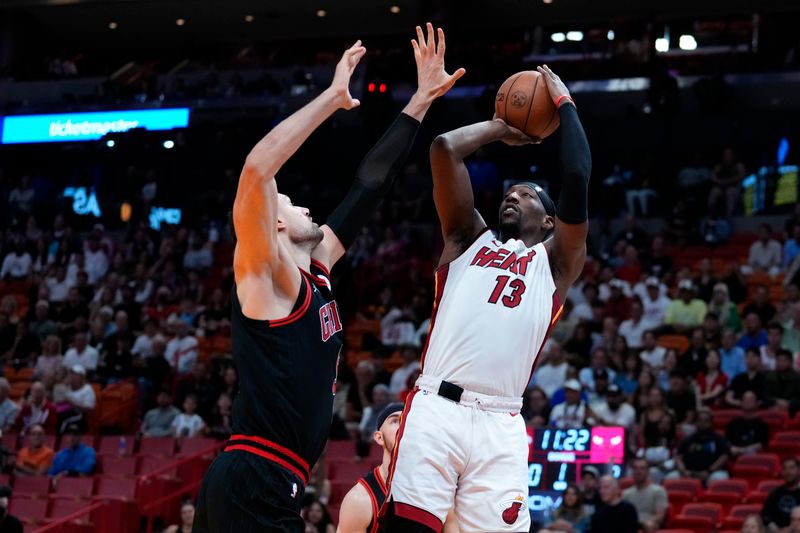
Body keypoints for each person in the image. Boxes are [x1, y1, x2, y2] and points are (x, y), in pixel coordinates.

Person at [195, 26, 465, 532]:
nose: (304, 205)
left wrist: (421, 101)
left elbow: (370, 184)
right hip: (256, 476)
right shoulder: (268, 279)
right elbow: (256, 171)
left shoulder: (315, 271)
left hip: (269, 481)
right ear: (275, 225)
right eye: (291, 203)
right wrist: (331, 99)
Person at [383, 61, 590, 533]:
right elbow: (443, 149)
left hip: (501, 423)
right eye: (509, 193)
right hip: (436, 409)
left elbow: (577, 177)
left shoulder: (556, 266)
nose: (512, 197)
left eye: (528, 195)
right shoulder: (466, 240)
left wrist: (564, 106)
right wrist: (501, 128)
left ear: (550, 223)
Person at [338, 403, 459, 533]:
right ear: (379, 438)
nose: (404, 426)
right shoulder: (360, 500)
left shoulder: (438, 489)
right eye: (395, 421)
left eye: (409, 420)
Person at [670, 410, 730, 482]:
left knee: (717, 478)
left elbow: (724, 457)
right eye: (700, 420)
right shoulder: (688, 439)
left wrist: (709, 471)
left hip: (712, 472)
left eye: (706, 421)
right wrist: (683, 471)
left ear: (711, 423)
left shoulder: (719, 439)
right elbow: (678, 457)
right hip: (688, 472)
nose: (703, 423)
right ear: (696, 422)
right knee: (671, 477)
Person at [622, 458, 668, 533]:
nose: (638, 471)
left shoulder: (658, 491)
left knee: (649, 525)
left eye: (642, 468)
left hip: (648, 524)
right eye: (635, 468)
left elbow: (660, 516)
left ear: (648, 471)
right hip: (631, 524)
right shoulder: (626, 493)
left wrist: (642, 522)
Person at [725, 391, 769, 457]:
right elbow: (728, 442)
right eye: (745, 399)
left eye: (751, 400)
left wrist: (743, 450)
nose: (747, 402)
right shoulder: (733, 423)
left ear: (756, 404)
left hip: (753, 457)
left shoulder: (762, 424)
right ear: (741, 403)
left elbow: (761, 445)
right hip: (734, 456)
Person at [762, 457, 800, 531]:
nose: (788, 471)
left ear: (799, 470)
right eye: (785, 468)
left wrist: (791, 529)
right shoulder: (775, 493)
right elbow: (766, 515)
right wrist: (776, 529)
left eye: (791, 468)